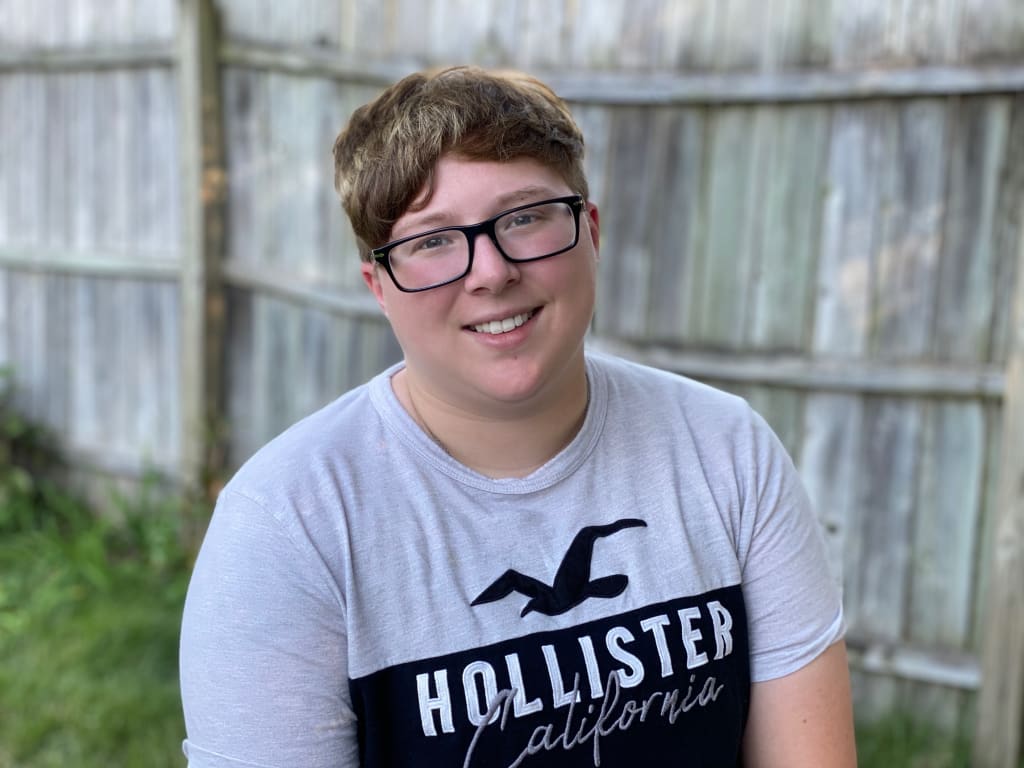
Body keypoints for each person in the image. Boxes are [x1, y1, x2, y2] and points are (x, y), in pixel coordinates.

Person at [179, 65, 857, 767]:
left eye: (525, 217)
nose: (491, 272)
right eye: (432, 240)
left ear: (591, 231)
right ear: (379, 287)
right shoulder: (289, 523)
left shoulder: (725, 450)